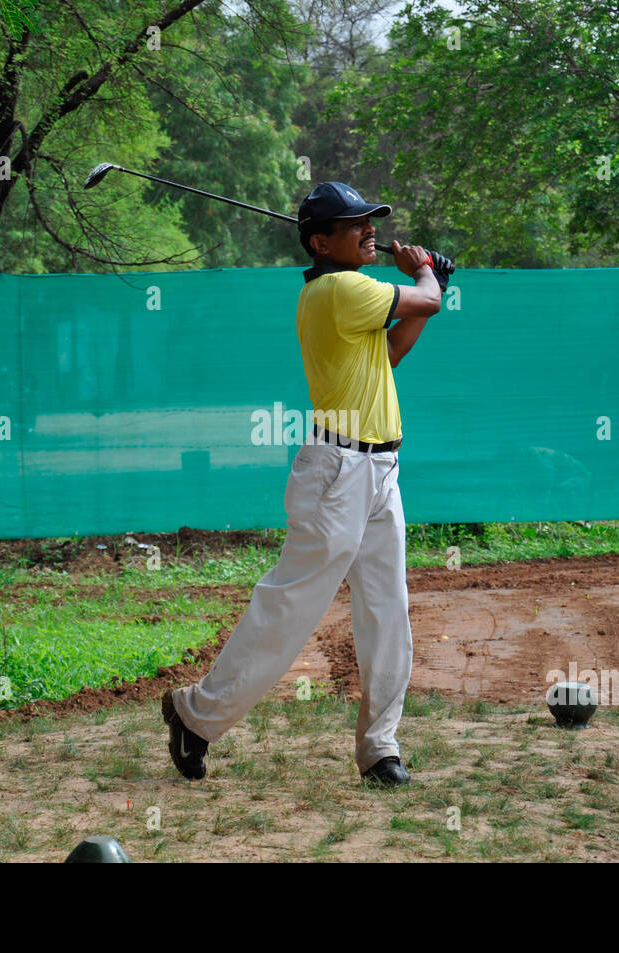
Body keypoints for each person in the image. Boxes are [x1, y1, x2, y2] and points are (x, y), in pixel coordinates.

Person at [162, 181, 450, 787]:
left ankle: (380, 748)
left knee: (387, 610)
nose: (369, 230)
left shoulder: (353, 293)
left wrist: (430, 286)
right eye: (355, 225)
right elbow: (426, 302)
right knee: (291, 605)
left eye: (370, 221)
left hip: (380, 470)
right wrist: (425, 272)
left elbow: (393, 351)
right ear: (320, 242)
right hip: (337, 474)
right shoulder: (340, 289)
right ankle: (195, 713)